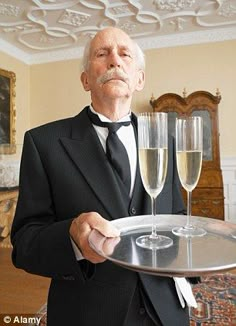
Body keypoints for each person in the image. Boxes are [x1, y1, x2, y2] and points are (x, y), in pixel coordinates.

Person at [11, 27, 194, 326]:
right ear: (85, 79)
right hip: (87, 312)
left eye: (125, 54)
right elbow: (25, 243)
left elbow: (175, 217)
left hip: (166, 310)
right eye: (101, 53)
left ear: (139, 79)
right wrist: (71, 236)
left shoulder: (167, 142)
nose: (114, 61)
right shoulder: (43, 143)